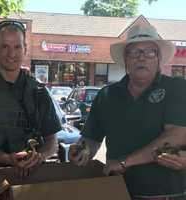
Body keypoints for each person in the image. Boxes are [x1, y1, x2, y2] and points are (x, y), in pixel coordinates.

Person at [69, 24, 186, 200]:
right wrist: (81, 150)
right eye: (134, 52)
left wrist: (125, 162)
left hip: (166, 194)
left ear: (158, 58)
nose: (142, 58)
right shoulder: (107, 95)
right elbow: (91, 138)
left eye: (149, 52)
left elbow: (177, 135)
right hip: (117, 191)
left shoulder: (177, 87)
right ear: (125, 59)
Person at [0, 20, 61, 182]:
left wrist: (39, 158)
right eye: (5, 46)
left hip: (33, 180)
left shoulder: (39, 91)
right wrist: (9, 159)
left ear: (25, 49)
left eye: (17, 47)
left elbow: (52, 141)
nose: (11, 54)